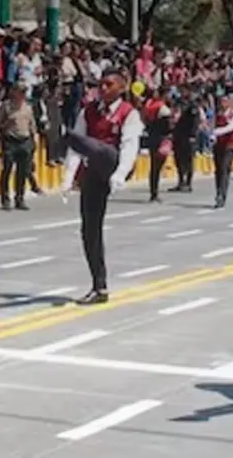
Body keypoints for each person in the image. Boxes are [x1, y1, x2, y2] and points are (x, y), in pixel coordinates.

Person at [61, 68, 143, 305]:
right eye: (101, 84)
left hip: (113, 162)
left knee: (100, 149)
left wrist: (120, 174)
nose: (103, 88)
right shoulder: (88, 112)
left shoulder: (129, 113)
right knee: (89, 229)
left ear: (122, 87)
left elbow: (129, 147)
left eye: (109, 84)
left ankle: (68, 135)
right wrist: (68, 177)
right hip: (93, 169)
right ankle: (99, 286)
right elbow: (77, 148)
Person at [0, 82, 37, 210]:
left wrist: (33, 141)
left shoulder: (28, 107)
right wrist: (7, 123)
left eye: (24, 92)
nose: (23, 94)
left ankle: (19, 198)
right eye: (21, 91)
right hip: (10, 140)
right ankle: (5, 198)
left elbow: (32, 126)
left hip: (24, 140)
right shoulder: (6, 106)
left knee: (22, 171)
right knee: (7, 169)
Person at [211, 94, 233, 208]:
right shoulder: (218, 114)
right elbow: (212, 126)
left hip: (230, 145)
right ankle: (218, 191)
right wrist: (212, 135)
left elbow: (231, 127)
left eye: (225, 101)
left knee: (224, 168)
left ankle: (222, 195)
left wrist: (217, 132)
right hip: (218, 145)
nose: (222, 104)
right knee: (218, 170)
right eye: (221, 101)